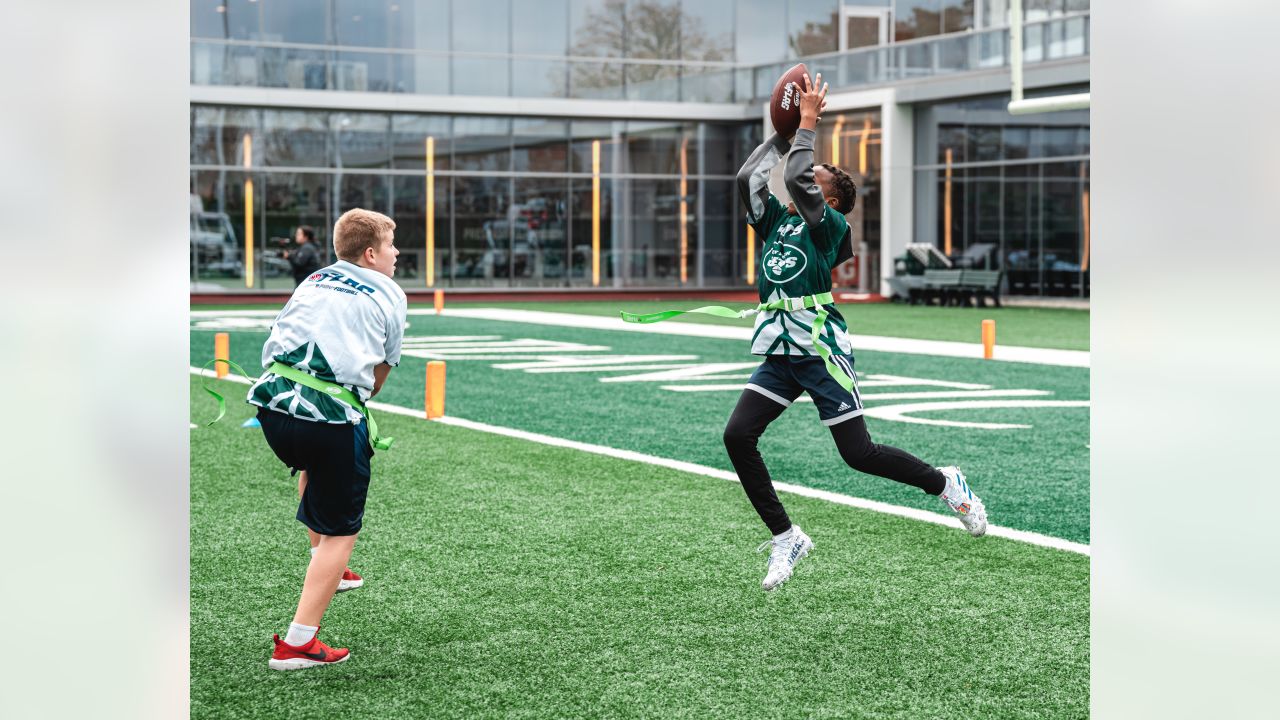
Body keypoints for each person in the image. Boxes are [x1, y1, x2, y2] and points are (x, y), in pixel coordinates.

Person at [725, 72, 988, 592]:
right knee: (737, 436)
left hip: (818, 348)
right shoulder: (779, 220)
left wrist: (807, 125)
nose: (805, 174)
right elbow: (748, 181)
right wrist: (783, 133)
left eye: (817, 175)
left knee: (857, 454)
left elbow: (799, 176)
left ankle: (946, 484)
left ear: (832, 197)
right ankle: (786, 536)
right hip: (780, 347)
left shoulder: (832, 226)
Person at [247, 208, 406, 669]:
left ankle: (327, 567)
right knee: (343, 530)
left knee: (315, 470)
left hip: (273, 411)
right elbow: (377, 381)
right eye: (392, 246)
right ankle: (298, 644)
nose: (397, 254)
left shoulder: (312, 278)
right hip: (329, 423)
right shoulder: (390, 293)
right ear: (372, 253)